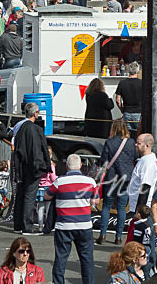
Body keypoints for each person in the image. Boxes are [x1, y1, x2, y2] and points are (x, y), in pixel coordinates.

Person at [45, 153, 99, 284]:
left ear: (66, 166)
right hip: (84, 225)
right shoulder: (90, 182)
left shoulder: (59, 181)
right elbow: (96, 201)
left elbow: (47, 196)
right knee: (86, 260)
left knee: (61, 258)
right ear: (80, 166)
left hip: (64, 226)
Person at [13, 102, 51, 236]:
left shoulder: (20, 127)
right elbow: (40, 149)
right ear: (35, 114)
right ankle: (27, 226)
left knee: (21, 195)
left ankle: (18, 224)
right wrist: (44, 166)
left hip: (22, 166)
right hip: (33, 167)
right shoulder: (36, 129)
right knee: (29, 196)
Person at [98, 119, 137, 245]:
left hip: (111, 178)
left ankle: (102, 234)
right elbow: (136, 157)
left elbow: (104, 160)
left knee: (106, 206)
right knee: (121, 208)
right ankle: (119, 236)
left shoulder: (109, 142)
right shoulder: (131, 142)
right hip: (126, 179)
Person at [128, 134, 157, 214]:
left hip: (141, 208)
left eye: (138, 143)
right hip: (136, 206)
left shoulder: (148, 162)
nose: (135, 145)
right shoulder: (145, 159)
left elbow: (146, 187)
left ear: (147, 146)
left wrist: (139, 212)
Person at [115, 62, 143, 136]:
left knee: (126, 135)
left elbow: (118, 100)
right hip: (138, 112)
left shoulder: (122, 83)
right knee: (139, 136)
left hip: (127, 112)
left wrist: (122, 110)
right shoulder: (142, 83)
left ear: (128, 70)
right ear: (138, 71)